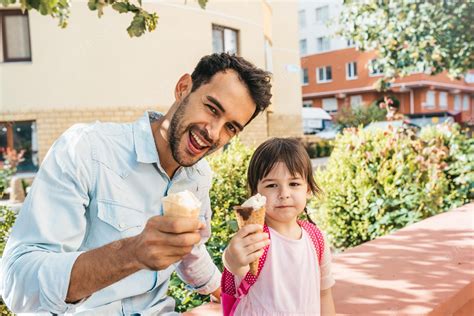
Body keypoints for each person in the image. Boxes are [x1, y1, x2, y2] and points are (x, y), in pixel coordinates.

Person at [0, 53, 272, 314]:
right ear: (183, 88)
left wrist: (232, 297)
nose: (213, 133)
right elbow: (16, 283)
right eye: (212, 108)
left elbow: (192, 252)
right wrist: (131, 253)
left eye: (230, 127)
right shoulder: (87, 148)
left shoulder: (199, 176)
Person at [222, 138, 336, 315]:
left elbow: (324, 295)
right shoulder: (255, 239)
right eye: (272, 185)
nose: (284, 194)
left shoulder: (317, 238)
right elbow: (235, 265)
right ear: (255, 192)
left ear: (308, 189)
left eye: (294, 184)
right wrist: (230, 257)